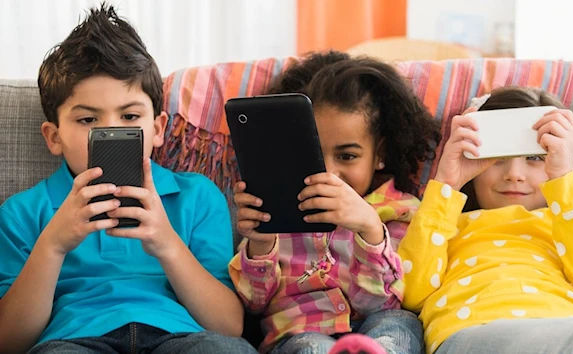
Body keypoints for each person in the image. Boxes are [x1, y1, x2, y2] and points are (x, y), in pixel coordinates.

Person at [0, 4, 257, 354]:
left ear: (157, 130)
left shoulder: (197, 197)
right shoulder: (23, 212)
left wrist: (166, 242)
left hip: (180, 339)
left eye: (130, 115)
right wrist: (53, 245)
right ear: (54, 137)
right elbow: (10, 341)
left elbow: (228, 326)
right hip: (75, 341)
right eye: (88, 120)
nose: (111, 131)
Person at [229, 50, 441, 354]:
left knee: (399, 323)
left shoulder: (401, 210)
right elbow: (253, 304)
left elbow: (385, 301)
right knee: (309, 345)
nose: (328, 172)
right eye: (311, 153)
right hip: (301, 330)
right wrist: (261, 244)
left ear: (379, 154)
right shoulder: (275, 208)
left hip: (375, 328)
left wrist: (370, 229)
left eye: (347, 156)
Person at [398, 86, 573, 354]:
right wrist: (447, 183)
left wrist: (564, 179)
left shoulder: (572, 220)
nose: (514, 174)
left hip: (568, 329)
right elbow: (409, 294)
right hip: (472, 333)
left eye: (534, 158)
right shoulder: (444, 221)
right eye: (497, 158)